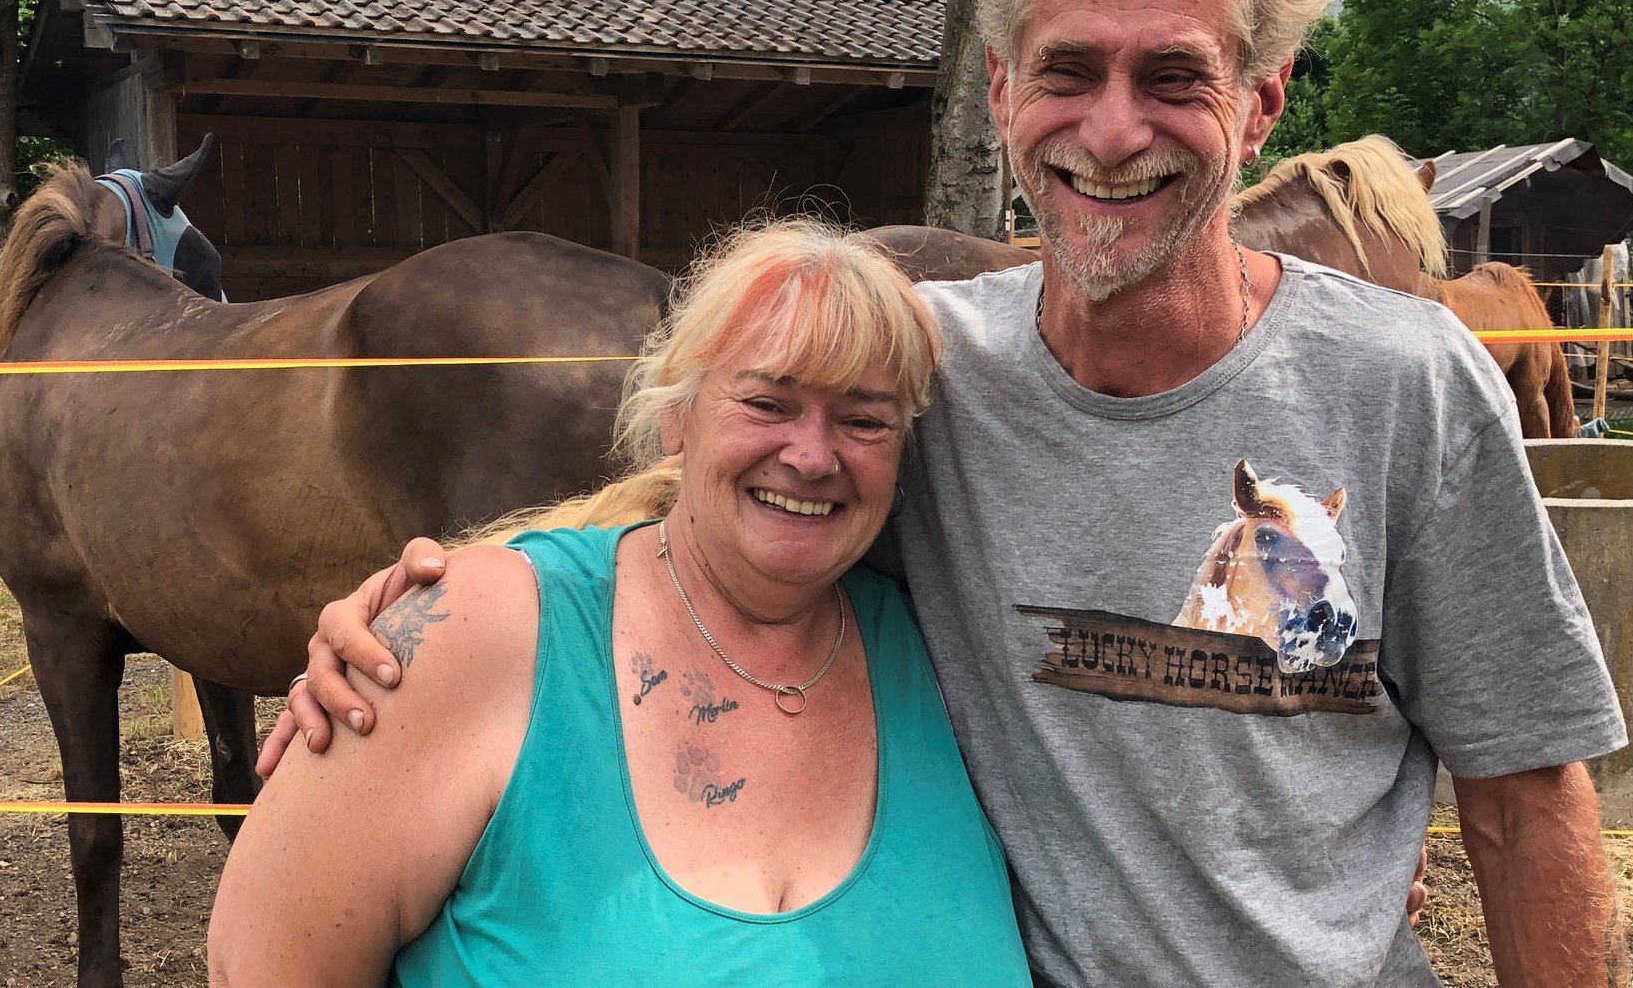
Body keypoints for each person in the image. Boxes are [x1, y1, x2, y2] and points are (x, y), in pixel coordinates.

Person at [270, 0, 1631, 985]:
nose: (1112, 128)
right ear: (998, 91)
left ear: (1261, 103)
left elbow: (1525, 807)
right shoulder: (929, 377)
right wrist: (435, 606)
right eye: (1068, 70)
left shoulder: (1408, 386)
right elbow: (704, 494)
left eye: (1174, 76)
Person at [207, 221, 1034, 987]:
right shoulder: (480, 631)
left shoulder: (944, 643)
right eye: (766, 402)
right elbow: (261, 963)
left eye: (864, 419)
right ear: (678, 414)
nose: (813, 455)